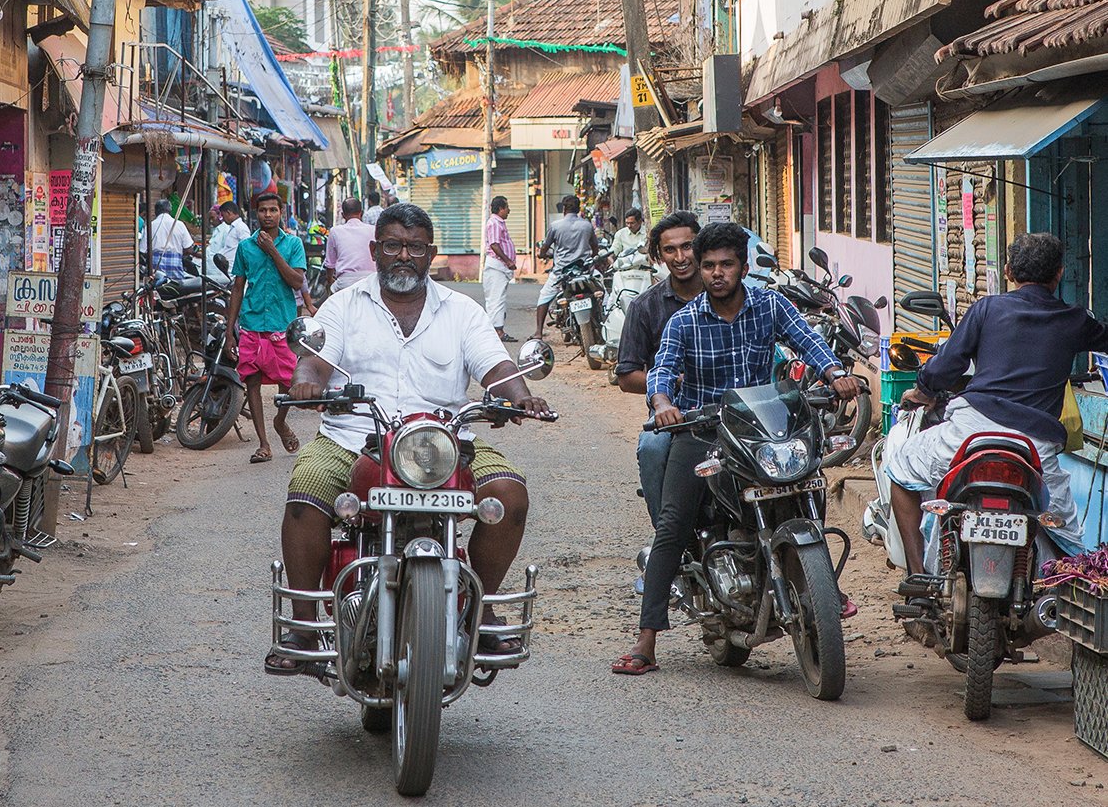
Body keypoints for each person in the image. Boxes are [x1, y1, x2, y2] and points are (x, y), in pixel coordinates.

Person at [266, 203, 552, 674]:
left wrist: (521, 396)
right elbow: (315, 360)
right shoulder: (343, 305)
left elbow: (496, 365)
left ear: (430, 254)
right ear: (375, 250)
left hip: (445, 442)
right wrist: (306, 383)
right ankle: (303, 626)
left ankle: (480, 608)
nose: (404, 256)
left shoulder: (462, 311)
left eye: (415, 247)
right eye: (394, 245)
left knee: (509, 493)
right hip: (353, 437)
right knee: (306, 492)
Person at [612, 222, 860, 675]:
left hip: (762, 428)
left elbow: (809, 341)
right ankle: (646, 639)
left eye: (726, 264)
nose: (716, 273)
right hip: (703, 429)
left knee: (808, 482)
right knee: (672, 524)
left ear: (744, 267)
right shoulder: (684, 321)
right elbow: (662, 370)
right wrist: (663, 403)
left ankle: (820, 582)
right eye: (709, 265)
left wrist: (835, 374)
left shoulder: (770, 305)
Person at [888, 232, 1106, 592]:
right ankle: (1059, 603)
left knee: (899, 468)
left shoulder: (986, 309)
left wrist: (922, 391)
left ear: (1008, 272)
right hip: (1034, 447)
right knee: (1070, 545)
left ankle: (918, 578)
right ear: (1059, 274)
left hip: (969, 431)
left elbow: (946, 365)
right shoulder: (1075, 320)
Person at [616, 212, 702, 530]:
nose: (680, 257)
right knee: (652, 448)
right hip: (671, 414)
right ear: (659, 256)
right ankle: (667, 532)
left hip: (729, 405)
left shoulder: (726, 294)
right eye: (670, 250)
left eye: (687, 246)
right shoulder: (645, 306)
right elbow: (626, 376)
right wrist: (671, 384)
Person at [223, 192, 307, 464]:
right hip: (252, 323)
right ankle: (263, 444)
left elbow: (296, 281)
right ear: (255, 213)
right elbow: (238, 288)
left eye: (273, 210)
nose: (268, 215)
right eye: (263, 210)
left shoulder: (293, 244)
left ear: (281, 212)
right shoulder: (245, 247)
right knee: (252, 382)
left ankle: (280, 421)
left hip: (282, 324)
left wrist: (272, 250)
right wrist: (229, 330)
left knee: (287, 382)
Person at [534, 195, 598, 338]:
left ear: (564, 209)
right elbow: (595, 247)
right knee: (602, 294)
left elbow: (545, 246)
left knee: (544, 297)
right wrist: (592, 257)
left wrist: (542, 254)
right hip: (584, 271)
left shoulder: (556, 226)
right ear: (578, 209)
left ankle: (538, 332)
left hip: (561, 273)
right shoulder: (587, 225)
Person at [482, 196, 518, 342]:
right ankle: (497, 332)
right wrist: (508, 261)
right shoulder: (495, 223)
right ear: (500, 209)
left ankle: (497, 330)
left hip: (500, 267)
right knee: (496, 299)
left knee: (498, 298)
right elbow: (494, 245)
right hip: (496, 266)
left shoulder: (499, 223)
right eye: (507, 207)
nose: (509, 210)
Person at [322, 198, 375, 292]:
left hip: (345, 282)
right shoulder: (373, 230)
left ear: (343, 215)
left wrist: (329, 281)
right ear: (361, 213)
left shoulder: (335, 231)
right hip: (371, 281)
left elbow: (330, 264)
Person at [142, 199, 194, 280]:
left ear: (156, 211)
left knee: (156, 286)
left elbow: (143, 250)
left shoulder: (150, 225)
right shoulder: (180, 225)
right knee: (176, 286)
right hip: (175, 265)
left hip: (155, 267)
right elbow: (189, 249)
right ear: (170, 210)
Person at [204, 199, 250, 280]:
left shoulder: (241, 228)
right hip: (224, 270)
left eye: (223, 215)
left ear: (229, 213)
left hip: (232, 272)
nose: (223, 218)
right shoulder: (232, 228)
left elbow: (247, 250)